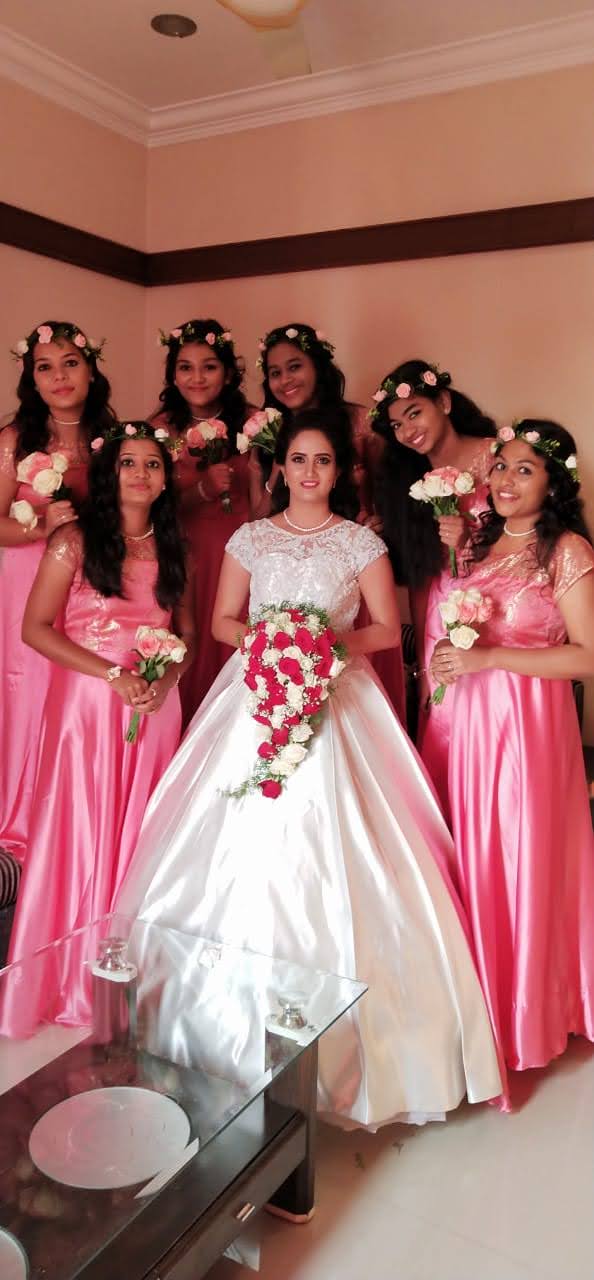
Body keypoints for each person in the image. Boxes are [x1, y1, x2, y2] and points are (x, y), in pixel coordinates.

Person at [117, 410, 502, 1129]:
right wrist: (273, 647)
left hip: (339, 694)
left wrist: (323, 648)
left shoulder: (361, 543)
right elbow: (224, 621)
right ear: (280, 467)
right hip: (254, 692)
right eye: (299, 459)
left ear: (338, 471)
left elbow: (385, 627)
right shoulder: (251, 537)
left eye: (323, 460)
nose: (310, 472)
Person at [430, 420, 594, 1083]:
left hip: (528, 731)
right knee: (472, 856)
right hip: (466, 724)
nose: (505, 480)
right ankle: (479, 1005)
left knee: (521, 857)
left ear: (553, 485)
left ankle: (526, 1012)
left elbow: (587, 657)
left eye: (526, 470)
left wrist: (493, 657)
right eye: (501, 466)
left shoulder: (567, 550)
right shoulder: (475, 543)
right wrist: (450, 658)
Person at [5, 423, 193, 984]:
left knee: (144, 832)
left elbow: (186, 636)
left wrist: (167, 680)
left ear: (165, 480)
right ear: (110, 473)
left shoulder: (176, 547)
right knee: (81, 828)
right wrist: (112, 674)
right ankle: (65, 977)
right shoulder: (75, 539)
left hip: (154, 706)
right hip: (87, 704)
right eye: (129, 462)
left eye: (153, 464)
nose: (141, 473)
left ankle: (130, 973)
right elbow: (36, 628)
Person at [0, 320, 116, 860]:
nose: (59, 376)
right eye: (45, 367)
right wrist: (38, 528)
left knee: (77, 695)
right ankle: (21, 822)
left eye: (70, 363)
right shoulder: (14, 441)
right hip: (26, 581)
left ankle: (73, 816)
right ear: (32, 379)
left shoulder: (110, 440)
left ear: (90, 370)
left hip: (91, 588)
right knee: (28, 693)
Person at [252, 322, 405, 720]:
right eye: (275, 372)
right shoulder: (270, 431)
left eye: (295, 366)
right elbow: (260, 512)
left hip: (348, 569)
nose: (285, 380)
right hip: (289, 566)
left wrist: (378, 523)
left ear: (318, 366)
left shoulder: (360, 423)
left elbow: (391, 489)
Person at [372, 359, 496, 816]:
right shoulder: (409, 484)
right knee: (444, 722)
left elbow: (534, 541)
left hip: (497, 607)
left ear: (443, 402)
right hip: (442, 613)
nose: (408, 431)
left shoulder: (499, 458)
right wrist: (422, 663)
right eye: (396, 425)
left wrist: (471, 540)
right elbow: (422, 574)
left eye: (415, 413)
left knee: (491, 724)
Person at [151, 318, 254, 724]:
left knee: (235, 638)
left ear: (228, 373)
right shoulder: (160, 430)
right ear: (173, 375)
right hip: (186, 552)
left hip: (243, 554)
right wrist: (201, 491)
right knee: (189, 638)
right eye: (185, 367)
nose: (197, 377)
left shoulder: (256, 423)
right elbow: (146, 503)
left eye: (209, 366)